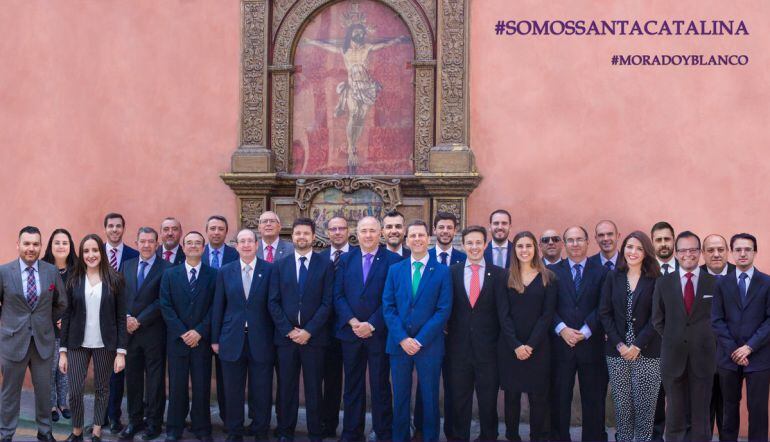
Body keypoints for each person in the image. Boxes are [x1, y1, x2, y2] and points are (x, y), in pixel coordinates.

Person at [383, 220, 452, 442]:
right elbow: (388, 306)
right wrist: (403, 338)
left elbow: (443, 310)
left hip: (429, 346)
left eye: (421, 235)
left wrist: (419, 340)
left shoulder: (442, 272)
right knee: (400, 397)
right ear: (406, 239)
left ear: (428, 239)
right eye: (412, 236)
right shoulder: (395, 270)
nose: (417, 239)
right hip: (399, 344)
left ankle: (430, 437)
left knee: (430, 397)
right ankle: (400, 437)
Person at [334, 217, 401, 442]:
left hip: (378, 334)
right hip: (350, 333)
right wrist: (353, 322)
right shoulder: (345, 259)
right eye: (364, 231)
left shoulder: (393, 260)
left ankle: (383, 432)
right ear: (357, 233)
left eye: (373, 231)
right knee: (352, 385)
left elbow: (392, 299)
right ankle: (352, 432)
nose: (368, 235)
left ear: (380, 233)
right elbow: (338, 295)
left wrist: (372, 323)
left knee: (380, 384)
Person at [269, 218, 334, 442]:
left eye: (306, 233)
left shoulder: (325, 265)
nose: (302, 237)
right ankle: (286, 431)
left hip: (314, 339)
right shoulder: (280, 265)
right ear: (292, 236)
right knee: (286, 387)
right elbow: (273, 302)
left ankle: (315, 432)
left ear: (314, 237)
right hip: (286, 339)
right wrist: (289, 330)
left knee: (314, 388)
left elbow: (328, 303)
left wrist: (308, 331)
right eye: (297, 233)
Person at [0, 226, 68, 442]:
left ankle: (45, 432)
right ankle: (6, 433)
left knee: (44, 392)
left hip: (43, 341)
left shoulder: (51, 271)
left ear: (40, 246)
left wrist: (46, 320)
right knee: (10, 393)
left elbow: (62, 302)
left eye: (35, 244)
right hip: (13, 342)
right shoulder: (4, 272)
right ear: (18, 245)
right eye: (27, 244)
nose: (31, 248)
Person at [58, 234, 127, 442]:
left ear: (101, 252)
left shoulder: (115, 279)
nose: (91, 255)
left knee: (101, 389)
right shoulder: (73, 279)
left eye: (95, 250)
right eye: (86, 251)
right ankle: (77, 430)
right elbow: (67, 315)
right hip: (77, 344)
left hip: (105, 344)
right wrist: (62, 351)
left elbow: (121, 318)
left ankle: (96, 430)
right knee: (76, 391)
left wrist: (121, 352)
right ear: (81, 254)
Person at [652, 231, 718, 442]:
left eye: (692, 250)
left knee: (701, 416)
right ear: (676, 253)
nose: (687, 254)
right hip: (673, 358)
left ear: (699, 252)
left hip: (704, 358)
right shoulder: (663, 283)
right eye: (682, 250)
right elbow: (657, 319)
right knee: (674, 415)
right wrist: (674, 338)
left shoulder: (714, 283)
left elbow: (719, 319)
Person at [211, 228, 275, 441]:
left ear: (257, 245)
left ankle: (260, 430)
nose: (246, 245)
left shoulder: (269, 270)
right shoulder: (225, 271)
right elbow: (218, 306)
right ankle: (234, 430)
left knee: (262, 389)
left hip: (261, 339)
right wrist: (214, 339)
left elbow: (273, 306)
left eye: (250, 241)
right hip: (231, 339)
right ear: (236, 246)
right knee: (232, 390)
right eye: (242, 241)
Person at [599, 231, 662, 441]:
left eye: (639, 248)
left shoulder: (655, 279)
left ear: (646, 252)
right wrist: (619, 344)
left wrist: (637, 346)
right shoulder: (612, 276)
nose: (633, 252)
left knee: (645, 408)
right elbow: (604, 313)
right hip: (617, 354)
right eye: (629, 247)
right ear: (623, 248)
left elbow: (658, 317)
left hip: (647, 353)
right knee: (622, 407)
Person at [549, 226, 609, 442]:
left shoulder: (601, 272)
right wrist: (562, 329)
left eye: (579, 239)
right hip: (561, 345)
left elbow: (603, 306)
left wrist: (584, 331)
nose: (575, 244)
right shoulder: (553, 272)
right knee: (559, 399)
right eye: (570, 240)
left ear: (587, 242)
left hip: (591, 346)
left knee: (593, 401)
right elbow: (548, 308)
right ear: (564, 244)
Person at [446, 225, 505, 441]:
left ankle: (489, 436)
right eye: (469, 243)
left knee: (488, 400)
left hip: (488, 350)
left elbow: (502, 313)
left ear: (485, 245)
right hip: (458, 349)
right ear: (462, 245)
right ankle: (460, 436)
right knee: (460, 400)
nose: (474, 247)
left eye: (478, 242)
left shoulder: (499, 275)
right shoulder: (451, 272)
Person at [498, 231, 557, 442]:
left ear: (536, 249)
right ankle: (512, 436)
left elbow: (547, 316)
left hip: (538, 347)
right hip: (510, 347)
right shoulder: (505, 277)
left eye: (529, 246)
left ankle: (537, 437)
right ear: (514, 250)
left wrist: (530, 345)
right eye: (520, 246)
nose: (524, 250)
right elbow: (502, 315)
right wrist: (516, 345)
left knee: (538, 398)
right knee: (512, 397)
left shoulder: (548, 277)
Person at [712, 233, 770, 442]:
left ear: (755, 252)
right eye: (738, 250)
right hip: (729, 358)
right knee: (728, 409)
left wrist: (749, 347)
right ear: (732, 252)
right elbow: (717, 320)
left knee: (758, 411)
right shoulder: (721, 283)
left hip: (760, 357)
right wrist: (734, 351)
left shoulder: (767, 282)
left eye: (747, 249)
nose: (743, 253)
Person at [160, 231, 217, 441]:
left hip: (201, 341)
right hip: (178, 340)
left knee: (202, 387)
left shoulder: (214, 275)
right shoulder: (170, 274)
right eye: (189, 243)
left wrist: (199, 331)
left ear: (203, 248)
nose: (193, 246)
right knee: (176, 387)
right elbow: (166, 306)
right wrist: (183, 332)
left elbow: (215, 307)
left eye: (198, 243)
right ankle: (174, 429)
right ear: (183, 247)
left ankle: (202, 428)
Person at [119, 228, 171, 441]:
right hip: (129, 334)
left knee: (155, 381)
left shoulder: (166, 268)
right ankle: (134, 420)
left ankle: (154, 423)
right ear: (136, 242)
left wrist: (139, 320)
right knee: (132, 379)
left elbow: (163, 300)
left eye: (151, 241)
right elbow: (119, 296)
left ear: (157, 244)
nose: (147, 245)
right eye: (143, 241)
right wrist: (127, 318)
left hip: (153, 332)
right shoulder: (127, 265)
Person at [418, 211, 465, 439]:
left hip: (454, 335)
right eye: (441, 227)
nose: (445, 231)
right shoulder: (422, 257)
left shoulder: (463, 259)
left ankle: (453, 431)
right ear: (434, 230)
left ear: (455, 231)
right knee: (424, 387)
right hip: (426, 335)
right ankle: (421, 429)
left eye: (449, 227)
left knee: (454, 385)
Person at [103, 212, 138, 434]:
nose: (115, 230)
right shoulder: (94, 253)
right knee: (105, 373)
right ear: (105, 228)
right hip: (100, 322)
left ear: (124, 229)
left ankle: (117, 417)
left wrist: (127, 316)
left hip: (126, 321)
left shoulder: (134, 255)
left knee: (122, 372)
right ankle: (104, 416)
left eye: (118, 226)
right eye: (111, 226)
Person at [201, 215, 238, 426]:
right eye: (212, 228)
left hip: (226, 326)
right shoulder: (198, 252)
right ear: (207, 230)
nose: (216, 232)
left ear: (226, 232)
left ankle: (228, 418)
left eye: (220, 229)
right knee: (202, 376)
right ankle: (202, 420)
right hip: (200, 325)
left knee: (226, 378)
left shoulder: (234, 255)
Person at [319, 216, 354, 438]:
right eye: (333, 229)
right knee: (330, 380)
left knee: (353, 381)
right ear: (327, 232)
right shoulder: (320, 258)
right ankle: (328, 424)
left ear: (348, 231)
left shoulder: (358, 256)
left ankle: (352, 428)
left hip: (352, 328)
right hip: (325, 330)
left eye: (342, 228)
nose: (338, 232)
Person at [700, 233, 735, 436]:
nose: (716, 254)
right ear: (703, 253)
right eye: (710, 250)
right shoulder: (694, 276)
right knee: (702, 412)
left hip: (731, 355)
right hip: (700, 357)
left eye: (720, 250)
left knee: (728, 412)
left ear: (727, 251)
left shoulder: (739, 275)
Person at [42, 229, 77, 424]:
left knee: (65, 368)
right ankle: (52, 404)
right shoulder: (43, 268)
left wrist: (68, 318)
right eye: (57, 242)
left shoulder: (78, 270)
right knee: (50, 367)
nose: (61, 246)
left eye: (65, 242)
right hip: (48, 327)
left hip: (71, 327)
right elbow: (38, 299)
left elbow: (81, 300)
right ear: (51, 246)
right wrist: (55, 317)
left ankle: (64, 403)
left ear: (70, 246)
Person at [649, 221, 676, 440]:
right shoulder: (645, 271)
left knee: (680, 402)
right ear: (652, 243)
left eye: (667, 239)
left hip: (683, 349)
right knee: (655, 403)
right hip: (652, 348)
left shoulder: (690, 269)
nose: (663, 244)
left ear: (673, 241)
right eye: (659, 240)